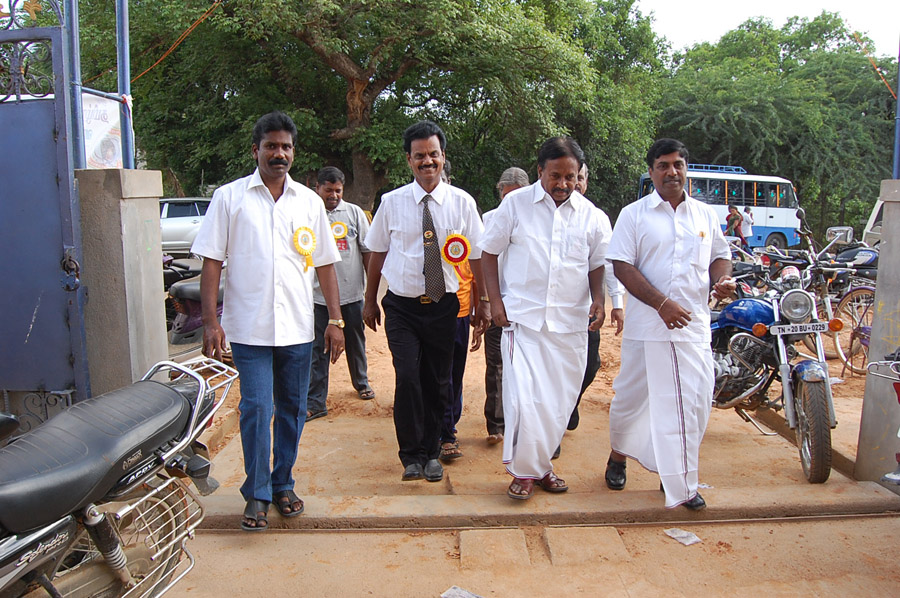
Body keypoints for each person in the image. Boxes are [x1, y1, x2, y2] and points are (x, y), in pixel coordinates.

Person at [192, 111, 345, 531]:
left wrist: (335, 320)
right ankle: (257, 493)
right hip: (249, 328)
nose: (280, 154)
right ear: (255, 150)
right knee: (257, 408)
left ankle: (282, 483)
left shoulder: (309, 202)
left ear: (294, 152)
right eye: (271, 146)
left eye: (286, 147)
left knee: (293, 408)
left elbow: (326, 264)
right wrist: (210, 322)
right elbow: (211, 261)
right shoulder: (230, 198)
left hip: (297, 327)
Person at [604, 138, 735, 510]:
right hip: (647, 329)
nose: (671, 171)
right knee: (632, 400)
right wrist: (660, 304)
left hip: (692, 328)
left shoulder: (705, 215)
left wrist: (722, 280)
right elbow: (621, 266)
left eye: (678, 164)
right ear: (651, 172)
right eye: (663, 165)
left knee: (692, 403)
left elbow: (720, 256)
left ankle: (676, 476)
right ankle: (618, 456)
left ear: (686, 169)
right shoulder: (634, 214)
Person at [480, 137, 611, 501]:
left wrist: (600, 300)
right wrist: (495, 301)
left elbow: (597, 264)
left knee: (558, 404)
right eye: (556, 176)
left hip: (570, 325)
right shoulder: (515, 205)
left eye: (571, 176)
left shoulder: (593, 216)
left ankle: (541, 467)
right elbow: (488, 253)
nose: (563, 184)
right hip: (522, 321)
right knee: (524, 401)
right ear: (540, 171)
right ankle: (524, 473)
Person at [363, 120, 488, 483]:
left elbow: (477, 255)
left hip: (443, 305)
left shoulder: (462, 202)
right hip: (401, 306)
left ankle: (432, 452)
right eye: (419, 156)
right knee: (407, 377)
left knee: (437, 379)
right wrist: (370, 300)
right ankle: (411, 455)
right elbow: (377, 251)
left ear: (443, 156)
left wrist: (482, 302)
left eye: (433, 154)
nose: (427, 161)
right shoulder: (392, 202)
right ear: (409, 160)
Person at [306, 167, 375, 421]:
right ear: (317, 188)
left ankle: (361, 382)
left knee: (356, 342)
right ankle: (315, 400)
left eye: (338, 190)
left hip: (352, 294)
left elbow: (367, 252)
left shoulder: (354, 213)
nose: (333, 195)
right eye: (328, 190)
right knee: (318, 348)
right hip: (318, 298)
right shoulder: (309, 214)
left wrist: (370, 292)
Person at [564, 162, 625, 435]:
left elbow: (608, 263)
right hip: (553, 311)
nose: (575, 183)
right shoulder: (544, 215)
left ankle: (569, 404)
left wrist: (617, 303)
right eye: (570, 177)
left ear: (586, 182)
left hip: (588, 310)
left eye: (579, 177)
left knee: (590, 365)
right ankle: (555, 425)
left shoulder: (597, 217)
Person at [482, 167, 530, 446]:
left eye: (516, 195)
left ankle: (525, 422)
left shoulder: (535, 221)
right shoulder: (488, 220)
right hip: (496, 303)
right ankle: (496, 424)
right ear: (499, 193)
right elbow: (483, 261)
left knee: (526, 367)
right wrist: (487, 302)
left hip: (525, 307)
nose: (510, 200)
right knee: (496, 365)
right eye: (506, 195)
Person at [439, 160, 481, 462]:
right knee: (431, 372)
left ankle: (448, 429)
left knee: (454, 372)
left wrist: (482, 304)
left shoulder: (464, 212)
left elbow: (477, 264)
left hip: (460, 310)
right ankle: (438, 430)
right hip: (425, 310)